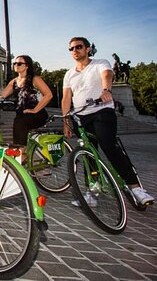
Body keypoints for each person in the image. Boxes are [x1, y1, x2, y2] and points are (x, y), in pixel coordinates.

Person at [62, 37, 154, 206]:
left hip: (101, 111)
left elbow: (107, 74)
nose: (75, 50)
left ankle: (136, 188)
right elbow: (67, 98)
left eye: (79, 47)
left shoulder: (99, 63)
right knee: (88, 153)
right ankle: (93, 188)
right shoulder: (69, 74)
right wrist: (65, 120)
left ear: (88, 49)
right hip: (79, 117)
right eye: (71, 48)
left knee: (109, 146)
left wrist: (106, 90)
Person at [0, 55, 52, 160]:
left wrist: (35, 109)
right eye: (14, 63)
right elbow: (1, 95)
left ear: (27, 66)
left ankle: (21, 155)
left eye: (19, 63)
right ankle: (20, 154)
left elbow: (49, 95)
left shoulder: (34, 79)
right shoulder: (14, 82)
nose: (16, 65)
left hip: (38, 114)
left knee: (20, 122)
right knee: (18, 122)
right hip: (22, 116)